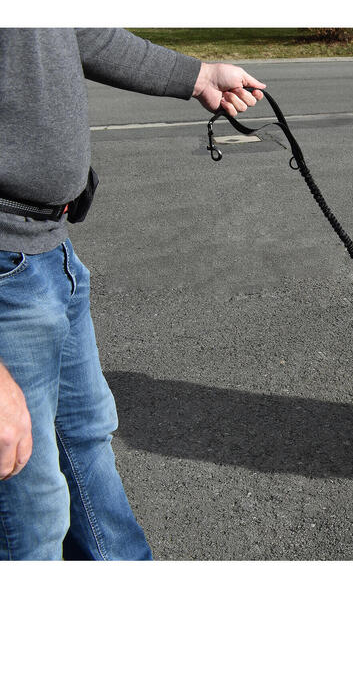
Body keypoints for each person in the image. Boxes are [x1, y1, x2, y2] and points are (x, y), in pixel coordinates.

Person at [0, 28, 266, 560]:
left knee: (85, 440)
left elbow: (76, 34)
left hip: (49, 250)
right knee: (30, 507)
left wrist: (197, 76)